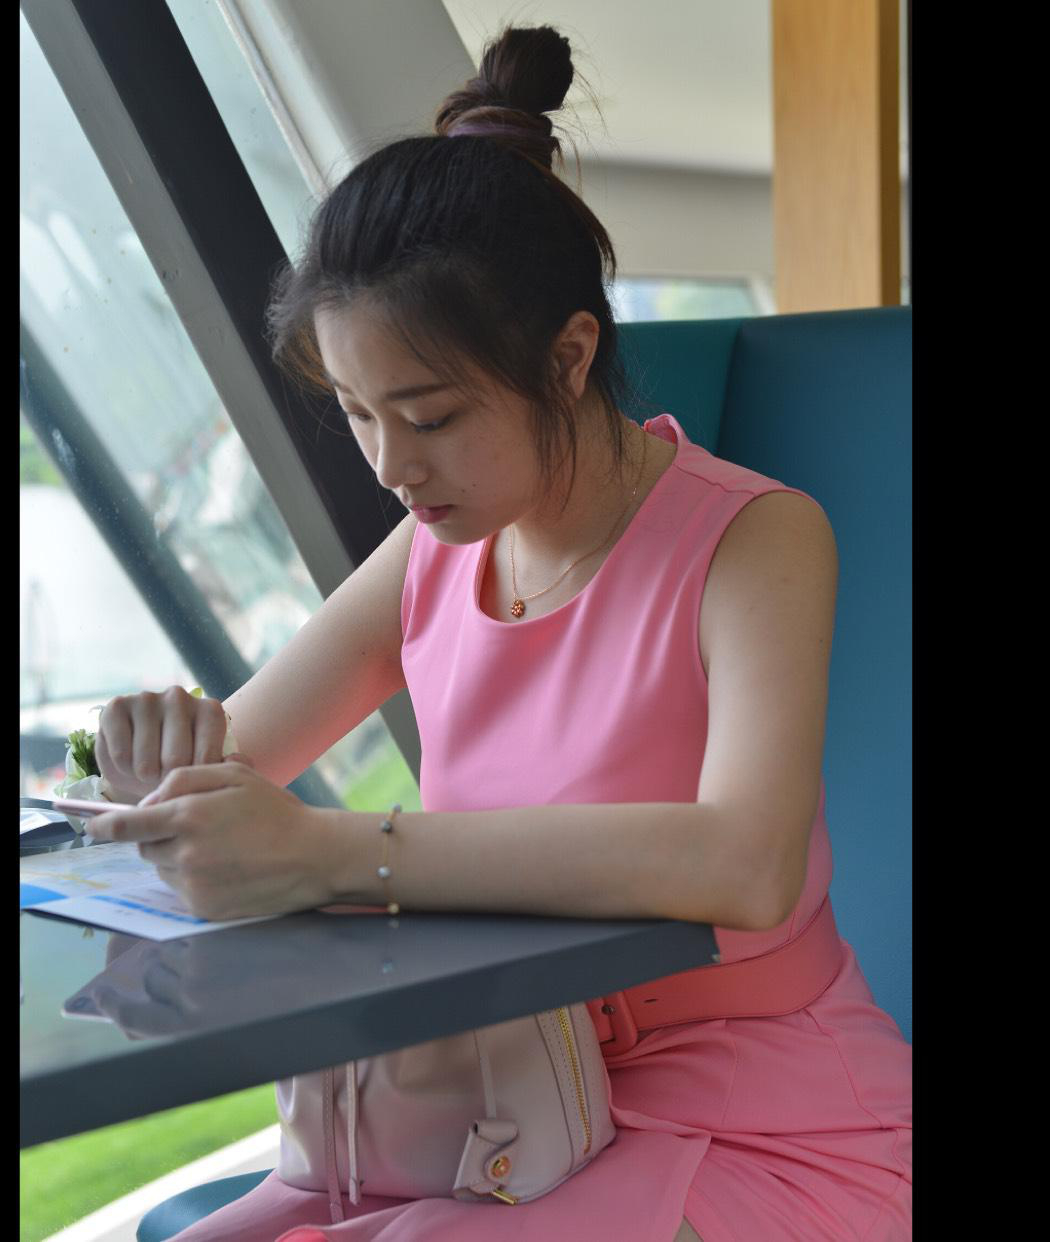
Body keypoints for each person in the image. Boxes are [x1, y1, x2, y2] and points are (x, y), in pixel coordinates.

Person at [86, 23, 911, 1242]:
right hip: (490, 1107)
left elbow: (746, 865)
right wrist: (157, 760)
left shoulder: (757, 538)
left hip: (759, 1119)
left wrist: (335, 853)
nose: (390, 465)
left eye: (429, 417)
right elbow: (228, 763)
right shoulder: (429, 550)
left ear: (569, 357)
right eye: (358, 413)